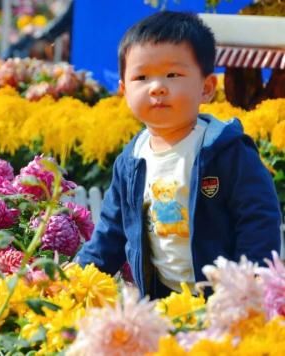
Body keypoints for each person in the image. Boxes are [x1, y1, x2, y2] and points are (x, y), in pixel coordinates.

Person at [74, 11, 282, 299]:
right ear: (123, 90)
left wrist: (248, 288)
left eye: (173, 74)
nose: (157, 87)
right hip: (163, 301)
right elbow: (109, 234)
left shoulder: (227, 151)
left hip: (227, 302)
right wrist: (73, 283)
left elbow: (259, 221)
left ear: (206, 87)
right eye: (142, 77)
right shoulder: (131, 161)